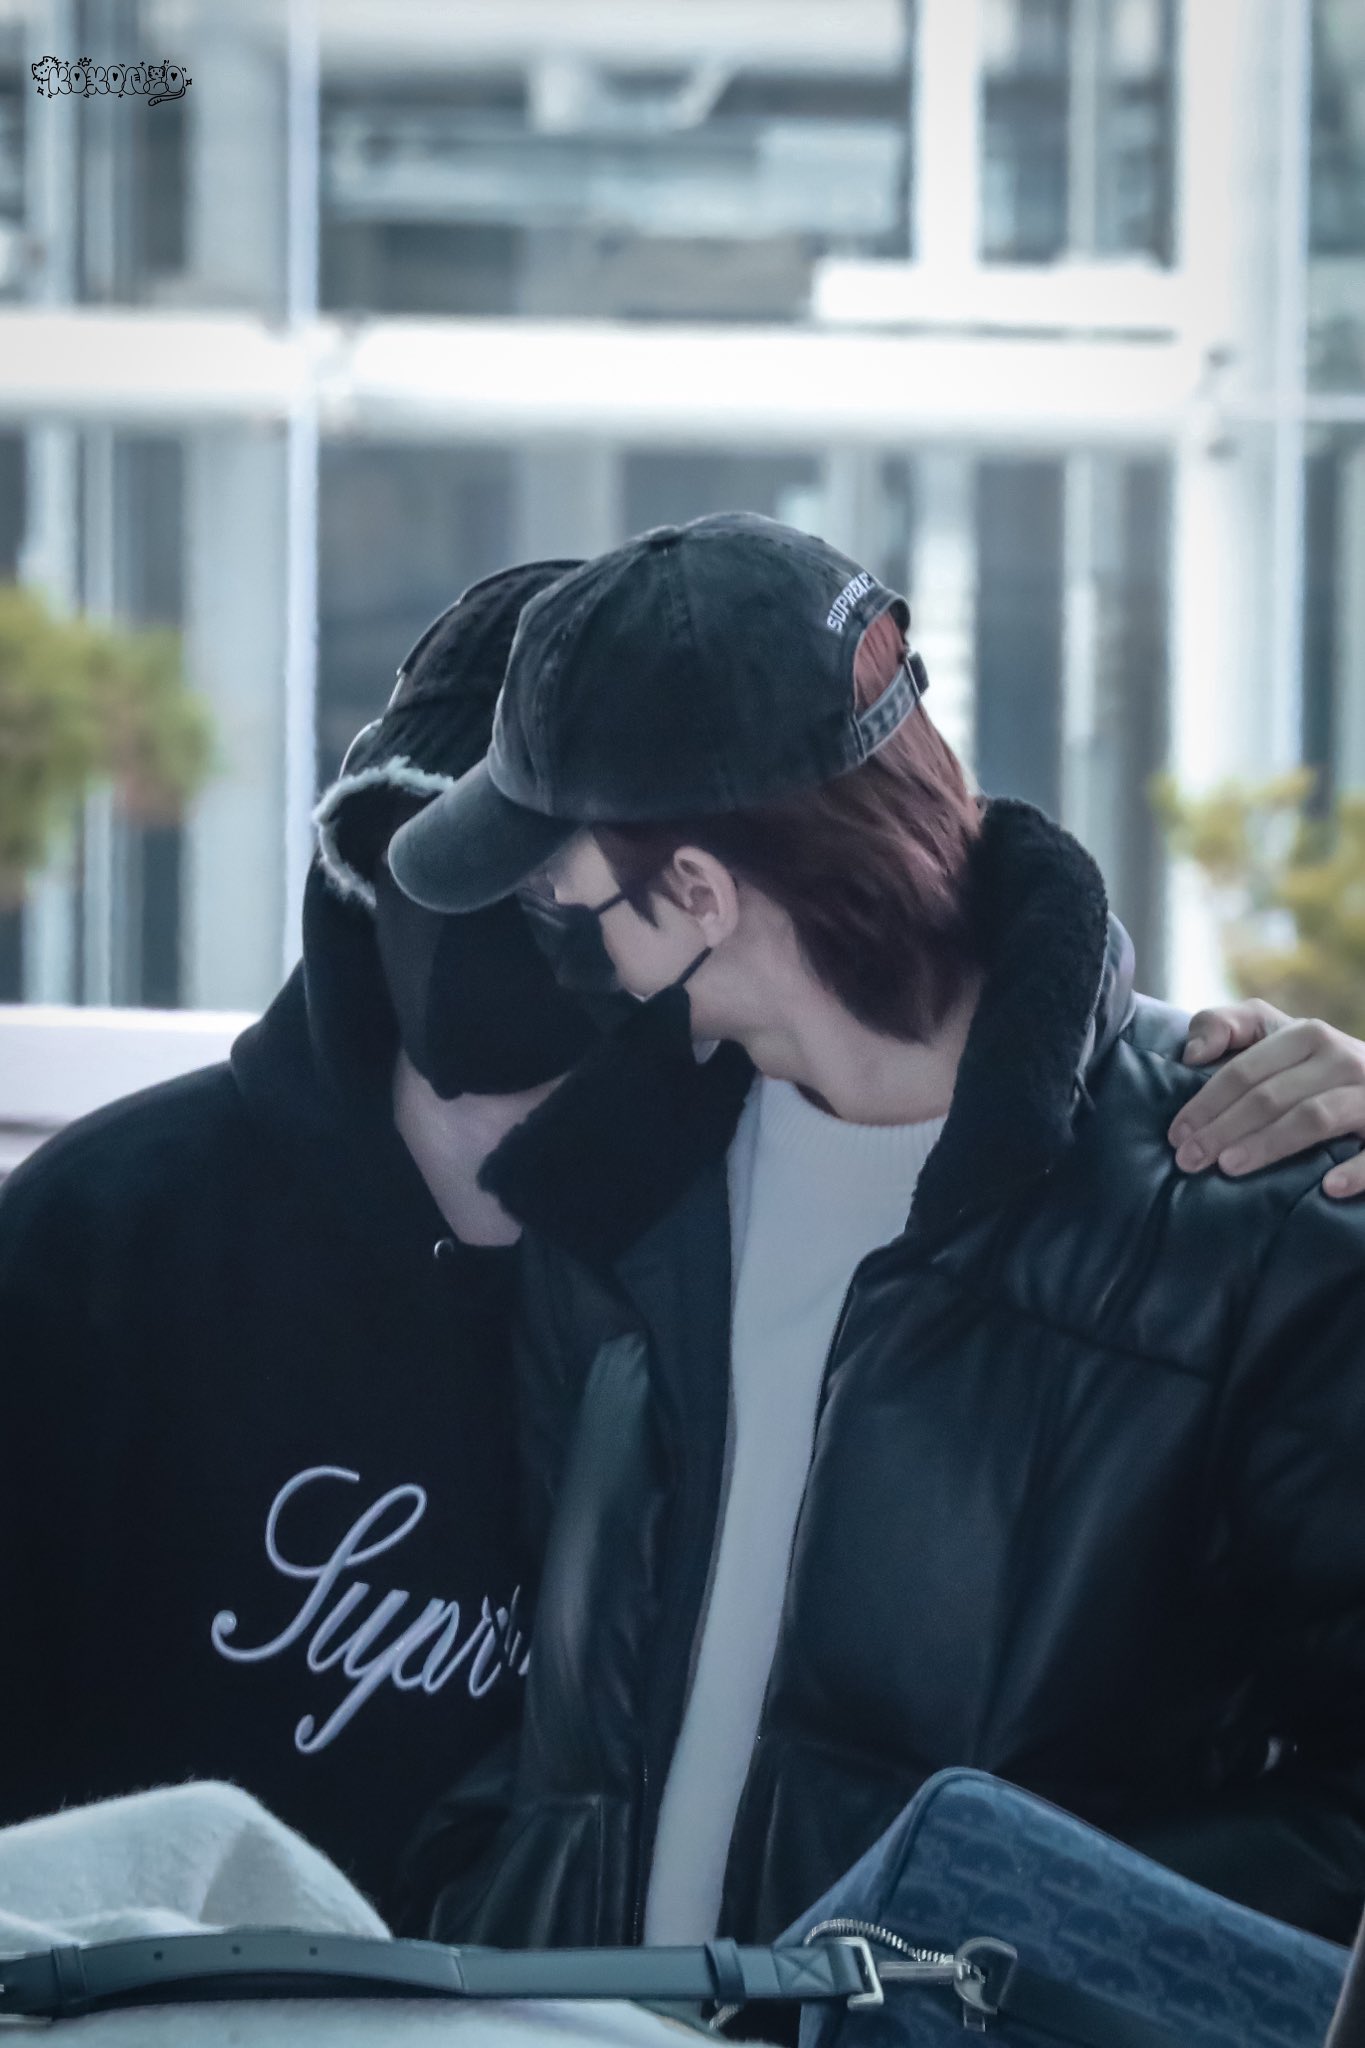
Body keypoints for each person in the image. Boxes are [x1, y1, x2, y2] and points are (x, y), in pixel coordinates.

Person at [389, 511, 1365, 1952]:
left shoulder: (1254, 1218)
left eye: (558, 899)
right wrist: (492, 1917)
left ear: (699, 894)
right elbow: (559, 1718)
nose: (557, 946)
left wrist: (991, 1966)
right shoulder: (608, 1209)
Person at [0, 559, 615, 1920]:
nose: (483, 910)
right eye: (438, 846)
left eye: (555, 875)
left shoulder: (730, 1272)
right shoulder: (99, 1242)